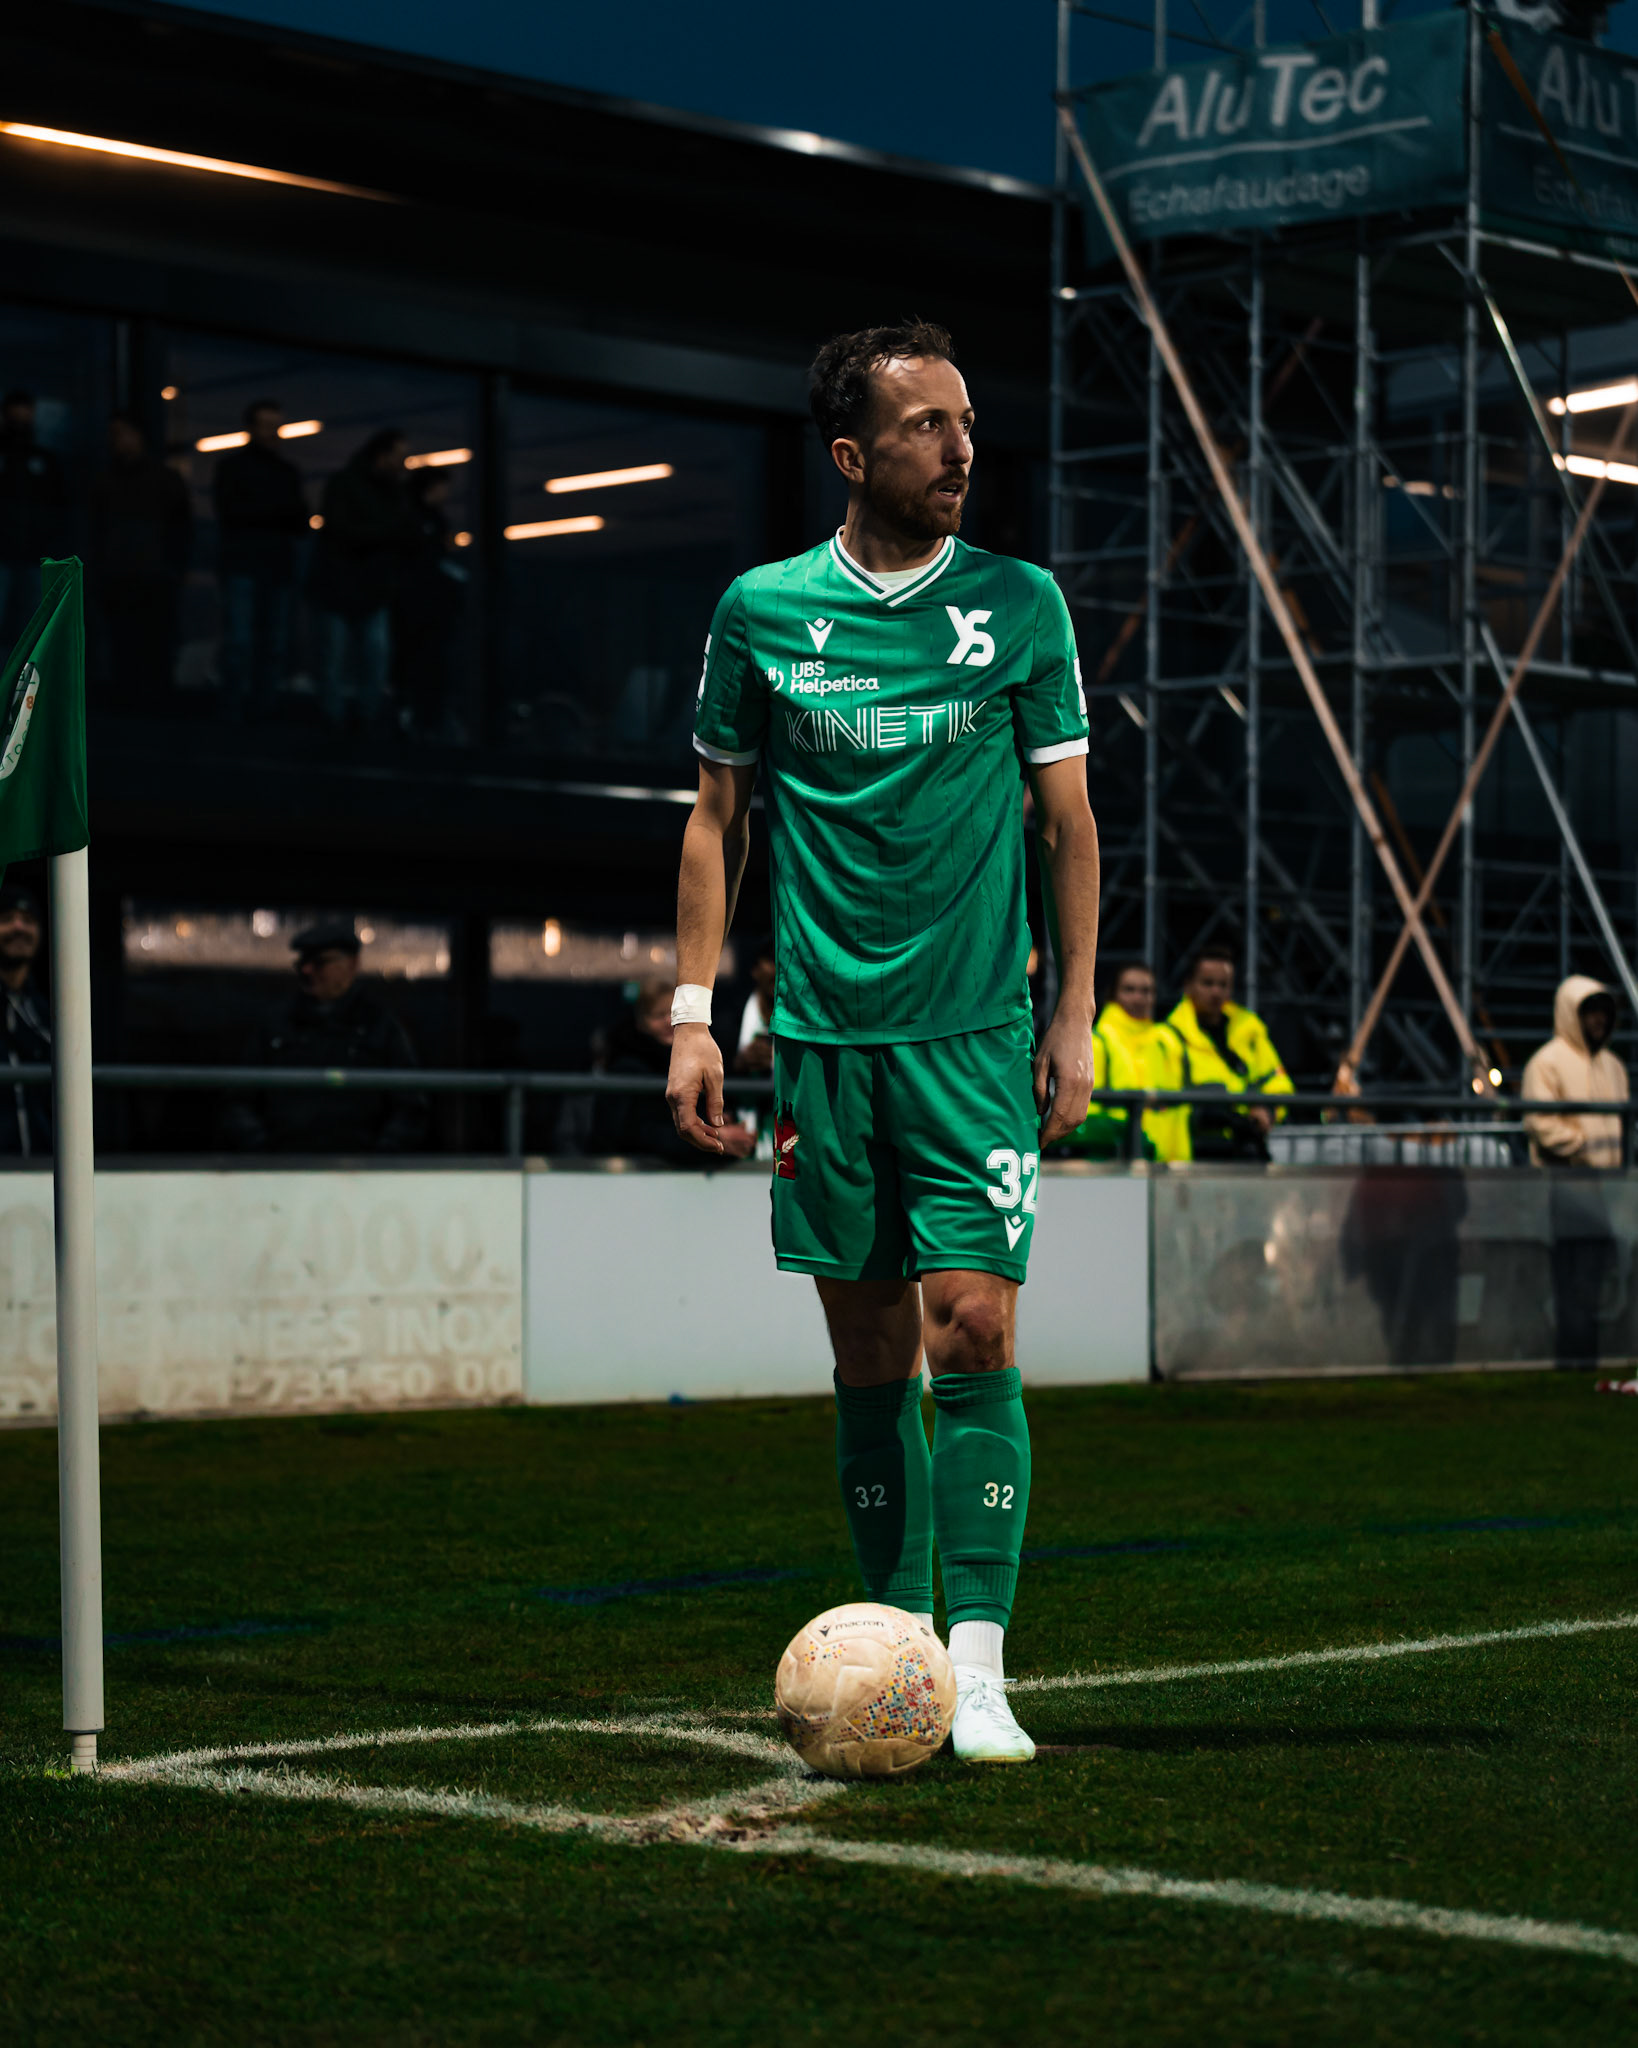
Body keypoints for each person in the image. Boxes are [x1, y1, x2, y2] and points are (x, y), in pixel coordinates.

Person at [666, 321, 1098, 1764]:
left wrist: (1075, 1007)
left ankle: (973, 1668)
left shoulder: (1018, 604)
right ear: (851, 455)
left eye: (965, 421)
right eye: (923, 427)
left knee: (971, 1323)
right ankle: (894, 1655)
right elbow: (716, 823)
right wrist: (693, 1019)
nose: (959, 447)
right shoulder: (762, 612)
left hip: (972, 1035)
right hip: (825, 1043)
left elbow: (1065, 822)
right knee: (865, 1360)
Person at [221, 920, 429, 1153]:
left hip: (357, 1171)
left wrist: (377, 1160)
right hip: (286, 1168)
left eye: (320, 963)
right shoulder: (275, 1025)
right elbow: (239, 1100)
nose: (307, 971)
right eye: (302, 963)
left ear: (352, 965)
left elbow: (410, 1106)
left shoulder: (379, 1026)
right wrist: (265, 1151)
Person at [1523, 974, 1629, 1367]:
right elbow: (1540, 1122)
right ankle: (1574, 1359)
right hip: (1567, 1185)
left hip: (1611, 1186)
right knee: (1575, 1278)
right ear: (1572, 1014)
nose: (1599, 1020)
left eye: (1604, 1012)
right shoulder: (1547, 1062)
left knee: (1596, 1274)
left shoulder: (1614, 1067)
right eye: (1591, 1012)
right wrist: (1582, 1144)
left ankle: (1586, 1357)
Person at [308, 429, 415, 730]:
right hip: (341, 586)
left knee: (369, 658)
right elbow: (344, 531)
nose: (402, 465)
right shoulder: (349, 486)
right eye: (399, 457)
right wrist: (387, 534)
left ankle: (359, 720)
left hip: (372, 587)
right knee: (341, 659)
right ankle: (336, 721)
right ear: (382, 456)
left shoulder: (393, 493)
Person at [213, 399, 310, 719]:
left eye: (275, 426)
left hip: (274, 566)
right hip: (245, 563)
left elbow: (298, 519)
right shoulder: (235, 469)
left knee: (272, 645)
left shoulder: (286, 472)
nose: (272, 433)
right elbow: (231, 513)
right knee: (241, 643)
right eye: (267, 426)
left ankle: (260, 710)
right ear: (252, 428)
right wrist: (276, 514)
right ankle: (234, 709)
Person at [89, 413, 192, 711]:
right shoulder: (108, 481)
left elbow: (181, 529)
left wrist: (174, 568)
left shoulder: (161, 480)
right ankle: (136, 699)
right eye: (115, 435)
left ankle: (149, 698)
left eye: (123, 434)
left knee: (149, 640)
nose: (118, 441)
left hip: (151, 573)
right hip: (125, 573)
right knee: (128, 640)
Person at [594, 977, 755, 1162]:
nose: (668, 1021)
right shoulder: (626, 1070)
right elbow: (628, 1133)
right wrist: (713, 1137)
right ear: (640, 1022)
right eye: (657, 1015)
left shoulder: (706, 1060)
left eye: (675, 1012)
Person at [1159, 947, 1292, 1161]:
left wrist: (1268, 1111)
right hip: (1195, 1152)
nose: (1216, 992)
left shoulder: (1250, 1029)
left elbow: (1279, 1082)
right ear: (1188, 986)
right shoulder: (1168, 1036)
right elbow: (1166, 1105)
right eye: (1207, 983)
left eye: (1223, 985)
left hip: (1247, 1147)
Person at [1059, 961, 1186, 1161]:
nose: (1139, 998)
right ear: (1113, 994)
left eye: (1146, 991)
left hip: (1169, 1160)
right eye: (1129, 990)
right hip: (1115, 1161)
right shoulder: (1097, 1041)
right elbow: (1087, 1112)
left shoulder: (1168, 1041)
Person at [392, 467, 467, 738]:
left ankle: (428, 720)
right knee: (415, 665)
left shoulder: (437, 521)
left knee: (433, 667)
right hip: (414, 608)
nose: (445, 493)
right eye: (441, 487)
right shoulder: (410, 519)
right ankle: (412, 718)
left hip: (434, 610)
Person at [0, 391, 69, 647]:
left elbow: (59, 508)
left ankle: (23, 683)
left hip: (34, 555)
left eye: (24, 412)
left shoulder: (44, 461)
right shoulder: (35, 460)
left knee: (30, 624)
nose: (20, 418)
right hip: (10, 555)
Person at [0, 881, 51, 1155]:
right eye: (7, 919)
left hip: (44, 1174)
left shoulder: (51, 1014)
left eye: (29, 920)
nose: (19, 927)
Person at [733, 939, 776, 1076]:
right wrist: (740, 1063)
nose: (779, 968)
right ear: (755, 969)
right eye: (772, 959)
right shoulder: (726, 1021)